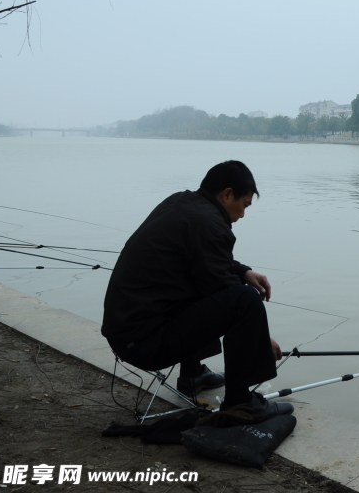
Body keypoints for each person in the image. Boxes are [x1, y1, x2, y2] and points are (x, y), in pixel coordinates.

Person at [101, 160, 292, 422]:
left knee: (209, 289)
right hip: (145, 343)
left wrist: (243, 271)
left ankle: (193, 375)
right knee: (245, 300)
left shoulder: (182, 203)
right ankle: (241, 403)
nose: (243, 214)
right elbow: (228, 293)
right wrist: (261, 340)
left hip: (127, 334)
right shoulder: (210, 224)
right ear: (227, 195)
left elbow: (206, 263)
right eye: (244, 205)